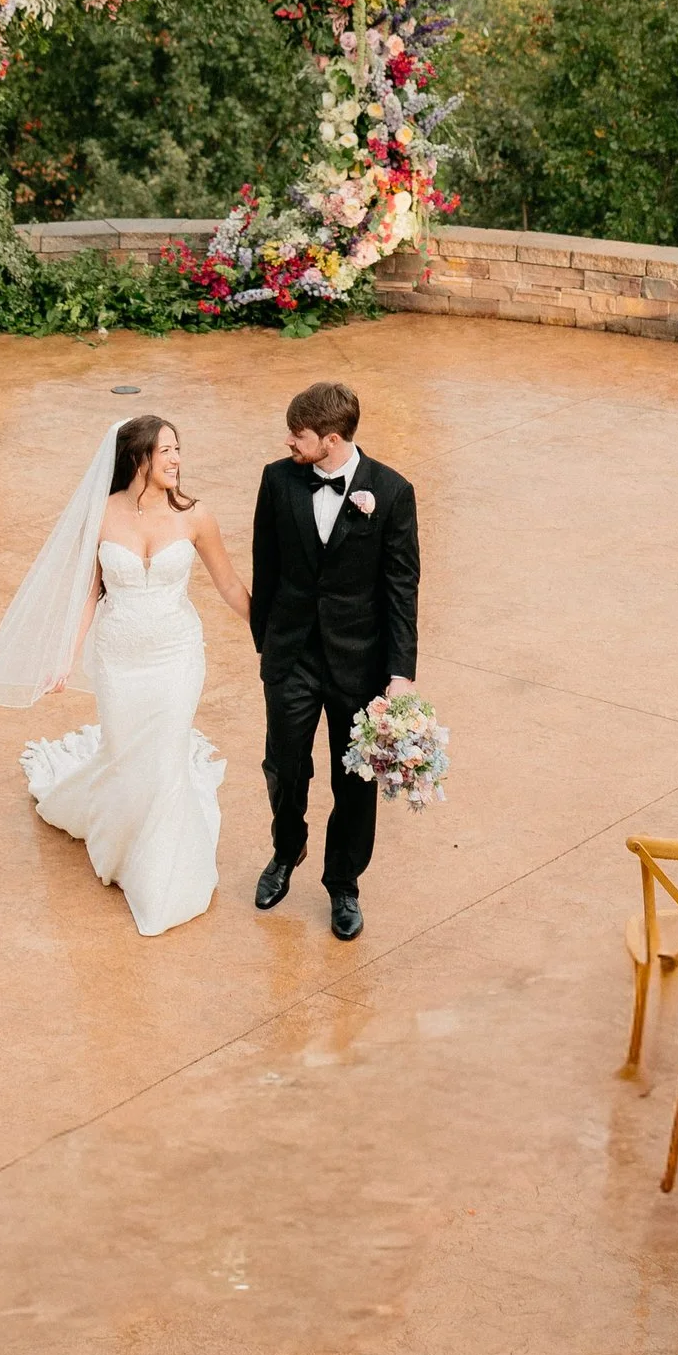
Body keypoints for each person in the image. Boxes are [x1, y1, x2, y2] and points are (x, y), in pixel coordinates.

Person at [0, 413, 248, 939]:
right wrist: (65, 657)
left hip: (175, 654)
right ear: (137, 459)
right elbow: (87, 593)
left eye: (177, 448)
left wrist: (274, 632)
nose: (176, 459)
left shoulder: (196, 517)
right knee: (129, 757)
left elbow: (232, 586)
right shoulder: (100, 515)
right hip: (119, 658)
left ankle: (163, 878)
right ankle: (122, 842)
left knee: (166, 754)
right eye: (165, 450)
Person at [250, 378, 420, 943]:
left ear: (330, 439)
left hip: (360, 664)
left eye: (298, 436)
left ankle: (343, 882)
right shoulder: (278, 480)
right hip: (293, 656)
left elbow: (401, 588)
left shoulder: (391, 493)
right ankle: (286, 848)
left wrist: (398, 675)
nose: (288, 443)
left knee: (355, 784)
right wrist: (267, 645)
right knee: (284, 765)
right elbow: (265, 566)